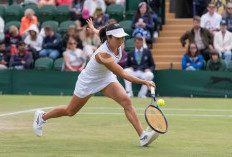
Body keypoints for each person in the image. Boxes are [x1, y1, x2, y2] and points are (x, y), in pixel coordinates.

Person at [33, 22, 159, 147]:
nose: (121, 40)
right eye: (117, 38)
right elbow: (123, 74)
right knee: (70, 111)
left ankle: (142, 136)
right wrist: (145, 82)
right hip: (88, 81)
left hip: (106, 78)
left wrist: (94, 29)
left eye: (122, 37)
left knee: (126, 100)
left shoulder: (118, 42)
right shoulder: (102, 54)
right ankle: (42, 117)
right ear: (109, 38)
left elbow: (102, 32)